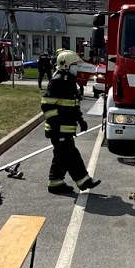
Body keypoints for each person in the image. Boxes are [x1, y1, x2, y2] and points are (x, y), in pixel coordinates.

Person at [41, 49, 101, 195]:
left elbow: (73, 105)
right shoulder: (57, 81)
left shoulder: (69, 80)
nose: (77, 67)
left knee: (61, 156)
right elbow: (47, 106)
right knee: (71, 155)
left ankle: (55, 183)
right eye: (74, 65)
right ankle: (84, 181)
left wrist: (80, 120)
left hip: (66, 128)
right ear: (65, 65)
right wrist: (55, 125)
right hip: (58, 129)